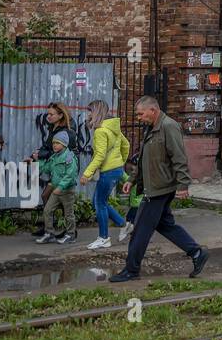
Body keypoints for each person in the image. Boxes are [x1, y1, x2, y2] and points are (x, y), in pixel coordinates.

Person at [110, 96, 208, 282]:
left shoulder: (168, 127)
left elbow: (179, 158)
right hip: (153, 185)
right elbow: (144, 158)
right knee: (165, 224)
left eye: (140, 113)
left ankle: (131, 270)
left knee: (140, 230)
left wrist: (182, 185)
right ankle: (196, 253)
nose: (138, 117)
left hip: (160, 188)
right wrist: (133, 179)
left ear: (153, 110)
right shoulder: (151, 128)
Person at [80, 100, 130, 249]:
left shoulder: (100, 131)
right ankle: (123, 224)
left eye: (90, 111)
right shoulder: (113, 128)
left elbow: (100, 155)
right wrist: (119, 162)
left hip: (108, 172)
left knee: (99, 203)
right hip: (117, 169)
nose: (88, 114)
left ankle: (103, 238)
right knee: (99, 201)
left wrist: (87, 174)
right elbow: (125, 145)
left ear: (95, 112)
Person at [28, 102, 74, 237]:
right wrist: (33, 157)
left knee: (61, 201)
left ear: (60, 115)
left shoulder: (66, 131)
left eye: (51, 114)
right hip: (55, 169)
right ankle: (49, 226)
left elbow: (61, 152)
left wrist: (40, 155)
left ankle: (70, 230)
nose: (48, 116)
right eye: (48, 113)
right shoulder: (53, 128)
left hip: (64, 171)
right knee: (46, 196)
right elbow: (47, 147)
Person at [34, 131, 78, 244]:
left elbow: (71, 175)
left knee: (68, 213)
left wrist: (61, 186)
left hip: (66, 190)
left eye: (57, 143)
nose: (54, 145)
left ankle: (71, 235)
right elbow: (46, 169)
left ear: (64, 144)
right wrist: (38, 160)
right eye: (53, 143)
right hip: (56, 189)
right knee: (48, 210)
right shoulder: (54, 157)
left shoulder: (69, 157)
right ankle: (49, 234)